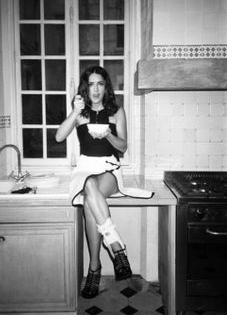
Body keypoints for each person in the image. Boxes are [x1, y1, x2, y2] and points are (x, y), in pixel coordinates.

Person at [56, 66, 152, 299]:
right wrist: (74, 111)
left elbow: (123, 147)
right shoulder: (80, 112)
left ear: (106, 86)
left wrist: (108, 134)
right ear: (85, 88)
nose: (95, 89)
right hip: (85, 168)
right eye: (91, 84)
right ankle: (112, 252)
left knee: (91, 187)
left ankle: (95, 269)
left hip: (109, 169)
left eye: (100, 83)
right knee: (90, 195)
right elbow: (59, 137)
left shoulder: (117, 111)